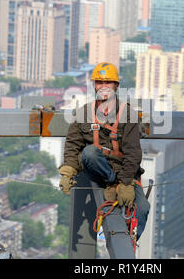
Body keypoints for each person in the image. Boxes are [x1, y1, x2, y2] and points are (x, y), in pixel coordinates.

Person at [58, 62, 150, 240]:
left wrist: (125, 183)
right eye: (99, 82)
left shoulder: (127, 115)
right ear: (94, 85)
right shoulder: (84, 113)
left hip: (123, 170)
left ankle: (130, 240)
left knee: (143, 208)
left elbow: (133, 153)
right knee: (90, 152)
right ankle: (111, 183)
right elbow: (72, 144)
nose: (103, 87)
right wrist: (68, 172)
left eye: (108, 82)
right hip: (97, 169)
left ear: (116, 86)